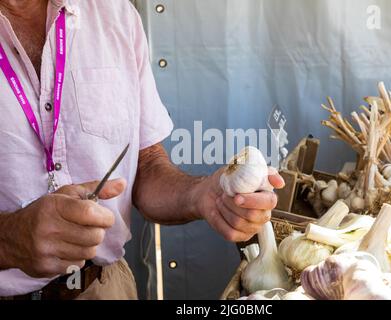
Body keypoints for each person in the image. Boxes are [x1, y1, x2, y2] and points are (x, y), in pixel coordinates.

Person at [0, 0, 284, 300]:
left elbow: (146, 166)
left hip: (104, 288)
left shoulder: (114, 14)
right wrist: (8, 238)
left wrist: (201, 195)